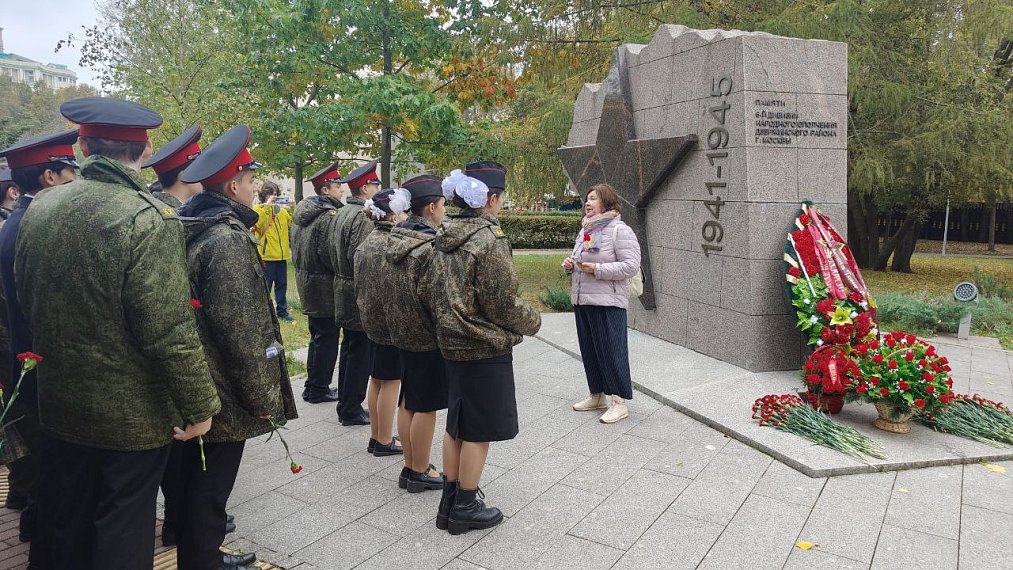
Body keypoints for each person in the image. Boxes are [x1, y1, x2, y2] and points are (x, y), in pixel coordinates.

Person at [14, 96, 220, 569]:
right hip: (130, 416)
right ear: (145, 150)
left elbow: (27, 298)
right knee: (123, 525)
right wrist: (200, 407)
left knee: (66, 516)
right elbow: (167, 327)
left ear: (83, 148)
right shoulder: (147, 218)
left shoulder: (42, 208)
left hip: (61, 400)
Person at [174, 124, 296, 570]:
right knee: (210, 488)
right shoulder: (226, 239)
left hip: (200, 380)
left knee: (194, 482)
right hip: (222, 389)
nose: (252, 188)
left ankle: (200, 555)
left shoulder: (192, 221)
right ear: (233, 185)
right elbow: (242, 330)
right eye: (248, 181)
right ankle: (202, 561)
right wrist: (263, 399)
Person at [422, 161, 541, 535]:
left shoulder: (443, 235)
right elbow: (502, 303)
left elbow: (427, 291)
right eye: (501, 198)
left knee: (457, 424)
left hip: (451, 345)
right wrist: (534, 321)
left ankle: (451, 499)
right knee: (479, 430)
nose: (501, 204)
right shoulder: (488, 240)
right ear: (490, 199)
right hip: (482, 347)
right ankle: (466, 506)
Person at [0, 130, 79, 555]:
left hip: (29, 365)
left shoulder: (20, 220)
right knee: (54, 472)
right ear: (50, 177)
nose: (75, 183)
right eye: (70, 174)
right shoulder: (34, 226)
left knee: (42, 471)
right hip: (43, 369)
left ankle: (37, 528)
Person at [140, 123, 208, 549]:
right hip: (170, 358)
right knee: (180, 458)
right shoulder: (167, 218)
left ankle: (183, 526)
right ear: (186, 173)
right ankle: (187, 532)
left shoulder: (165, 210)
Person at [386, 174, 448, 492]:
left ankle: (411, 466)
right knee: (425, 404)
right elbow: (437, 296)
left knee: (408, 399)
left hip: (402, 330)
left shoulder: (397, 237)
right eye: (442, 204)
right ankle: (420, 469)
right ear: (432, 206)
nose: (444, 210)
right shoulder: (429, 246)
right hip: (425, 333)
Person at [562, 183, 642, 424]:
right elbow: (581, 259)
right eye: (587, 199)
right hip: (583, 299)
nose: (587, 202)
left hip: (608, 302)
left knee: (612, 351)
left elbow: (630, 265)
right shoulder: (587, 229)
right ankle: (597, 395)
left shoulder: (620, 230)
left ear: (607, 202)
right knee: (590, 350)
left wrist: (597, 269)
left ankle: (619, 402)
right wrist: (570, 265)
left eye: (593, 199)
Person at [355, 188, 411, 457]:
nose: (406, 216)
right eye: (402, 212)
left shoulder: (368, 241)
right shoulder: (390, 244)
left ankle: (377, 435)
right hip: (389, 321)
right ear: (391, 218)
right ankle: (385, 439)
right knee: (391, 381)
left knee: (377, 379)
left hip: (371, 317)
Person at [330, 160, 381, 426]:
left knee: (350, 348)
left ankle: (346, 404)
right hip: (357, 291)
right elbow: (361, 258)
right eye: (374, 184)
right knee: (359, 352)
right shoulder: (362, 216)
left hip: (342, 286)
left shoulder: (341, 212)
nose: (376, 188)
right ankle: (351, 408)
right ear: (364, 188)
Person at [291, 160, 344, 404]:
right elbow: (329, 255)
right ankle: (319, 388)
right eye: (337, 185)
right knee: (327, 339)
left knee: (318, 336)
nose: (341, 189)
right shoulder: (327, 217)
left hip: (308, 283)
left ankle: (313, 384)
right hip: (324, 287)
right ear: (325, 189)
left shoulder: (303, 213)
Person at [254, 181, 294, 321]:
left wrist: (292, 208)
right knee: (266, 287)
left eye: (276, 194)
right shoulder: (258, 209)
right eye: (271, 194)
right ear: (263, 195)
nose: (274, 196)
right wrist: (267, 207)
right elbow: (257, 224)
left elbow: (292, 224)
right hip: (267, 256)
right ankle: (264, 313)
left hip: (282, 256)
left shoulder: (282, 212)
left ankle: (282, 312)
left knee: (282, 285)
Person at [143, 124, 204, 208]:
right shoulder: (168, 215)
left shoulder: (183, 210)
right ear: (184, 176)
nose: (207, 175)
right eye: (201, 170)